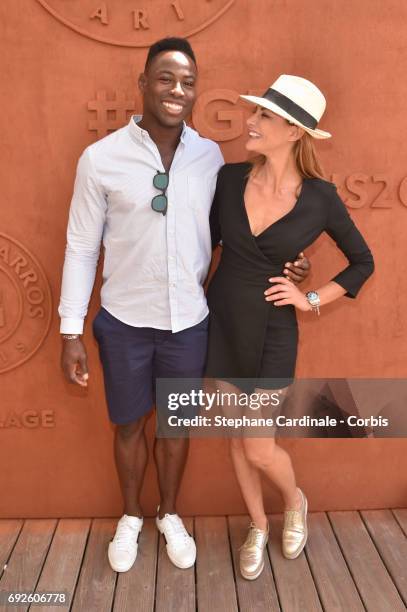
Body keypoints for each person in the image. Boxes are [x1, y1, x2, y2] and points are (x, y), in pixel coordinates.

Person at [58, 38, 310, 574]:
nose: (178, 90)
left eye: (188, 81)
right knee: (128, 425)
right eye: (166, 78)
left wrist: (291, 262)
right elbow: (81, 245)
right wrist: (70, 330)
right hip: (124, 321)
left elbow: (234, 237)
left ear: (196, 91)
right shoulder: (100, 159)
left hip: (190, 325)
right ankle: (131, 517)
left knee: (175, 427)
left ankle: (169, 514)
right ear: (143, 83)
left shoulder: (209, 157)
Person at [206, 74, 374, 579]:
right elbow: (205, 243)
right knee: (238, 437)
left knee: (258, 443)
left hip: (275, 331)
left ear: (294, 132)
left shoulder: (320, 197)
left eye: (264, 117)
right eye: (255, 113)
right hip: (222, 321)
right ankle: (258, 524)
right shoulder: (229, 178)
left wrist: (311, 297)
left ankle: (293, 501)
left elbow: (362, 261)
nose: (251, 123)